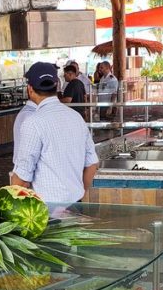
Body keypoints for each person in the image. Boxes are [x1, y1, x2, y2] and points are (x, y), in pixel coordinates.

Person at [11, 62, 98, 204]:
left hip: (46, 210)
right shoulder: (76, 117)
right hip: (76, 205)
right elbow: (92, 164)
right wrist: (79, 193)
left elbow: (22, 178)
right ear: (57, 85)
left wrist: (7, 207)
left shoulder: (33, 122)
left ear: (30, 89)